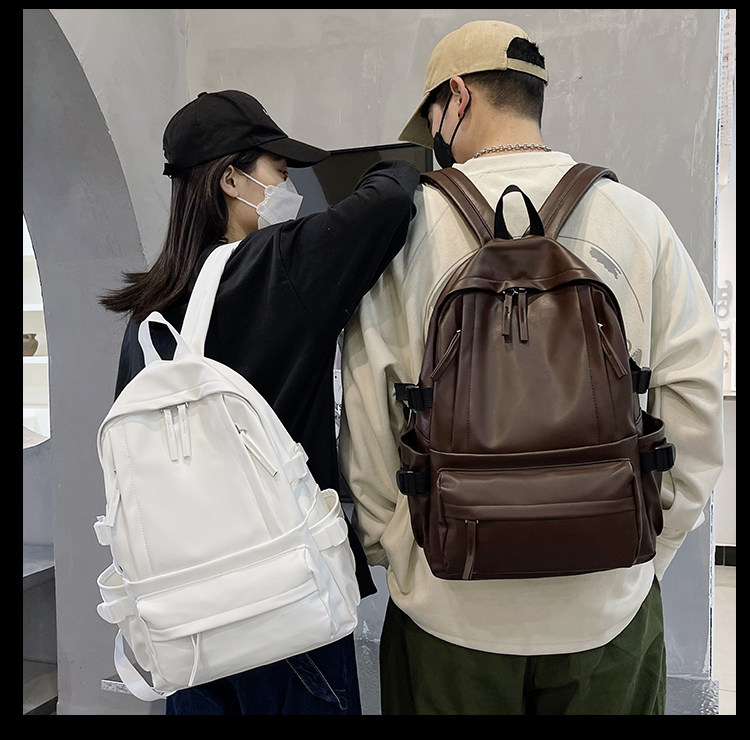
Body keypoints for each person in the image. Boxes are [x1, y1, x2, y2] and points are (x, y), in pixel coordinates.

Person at [339, 20, 724, 715]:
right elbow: (694, 403)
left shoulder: (405, 229)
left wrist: (398, 553)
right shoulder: (637, 219)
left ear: (457, 96)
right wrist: (650, 550)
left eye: (433, 115)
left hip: (449, 607)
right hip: (606, 604)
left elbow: (369, 413)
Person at [99, 89, 420, 715]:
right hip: (283, 600)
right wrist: (392, 159)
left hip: (187, 620)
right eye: (279, 169)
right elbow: (391, 196)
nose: (288, 185)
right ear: (231, 180)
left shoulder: (148, 316)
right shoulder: (276, 265)